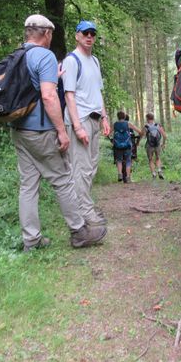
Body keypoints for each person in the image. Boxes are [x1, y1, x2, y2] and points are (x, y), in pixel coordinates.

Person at [10, 14, 107, 251]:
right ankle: (79, 231)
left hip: (18, 129)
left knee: (28, 185)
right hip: (40, 130)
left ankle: (31, 240)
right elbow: (49, 96)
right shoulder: (45, 56)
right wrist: (63, 130)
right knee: (63, 179)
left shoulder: (17, 55)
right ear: (46, 33)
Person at [63, 20, 110, 227]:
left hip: (94, 118)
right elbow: (69, 96)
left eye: (92, 33)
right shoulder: (72, 61)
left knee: (91, 166)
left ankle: (84, 206)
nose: (89, 36)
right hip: (79, 119)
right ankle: (85, 213)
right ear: (77, 36)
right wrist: (77, 127)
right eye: (85, 33)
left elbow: (98, 92)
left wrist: (105, 117)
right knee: (80, 168)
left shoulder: (95, 61)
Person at [112, 111, 141, 183]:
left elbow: (107, 132)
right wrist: (140, 134)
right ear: (124, 117)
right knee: (128, 160)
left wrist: (112, 139)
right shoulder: (128, 124)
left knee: (119, 160)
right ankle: (128, 177)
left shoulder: (115, 124)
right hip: (127, 145)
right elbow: (139, 131)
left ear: (118, 117)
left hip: (117, 145)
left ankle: (120, 174)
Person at [142, 113, 167, 179]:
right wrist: (163, 144)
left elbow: (143, 136)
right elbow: (164, 136)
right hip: (157, 145)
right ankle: (159, 170)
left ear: (147, 118)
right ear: (153, 118)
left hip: (149, 145)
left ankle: (153, 173)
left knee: (150, 160)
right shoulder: (158, 125)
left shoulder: (146, 126)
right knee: (158, 158)